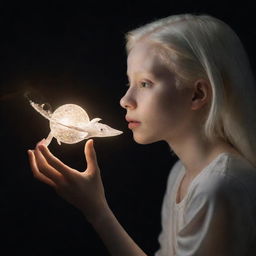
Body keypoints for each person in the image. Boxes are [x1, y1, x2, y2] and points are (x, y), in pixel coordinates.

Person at [27, 13, 256, 255]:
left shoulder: (221, 187)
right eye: (130, 83)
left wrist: (98, 212)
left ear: (197, 94)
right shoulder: (181, 175)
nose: (125, 100)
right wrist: (96, 209)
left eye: (145, 83)